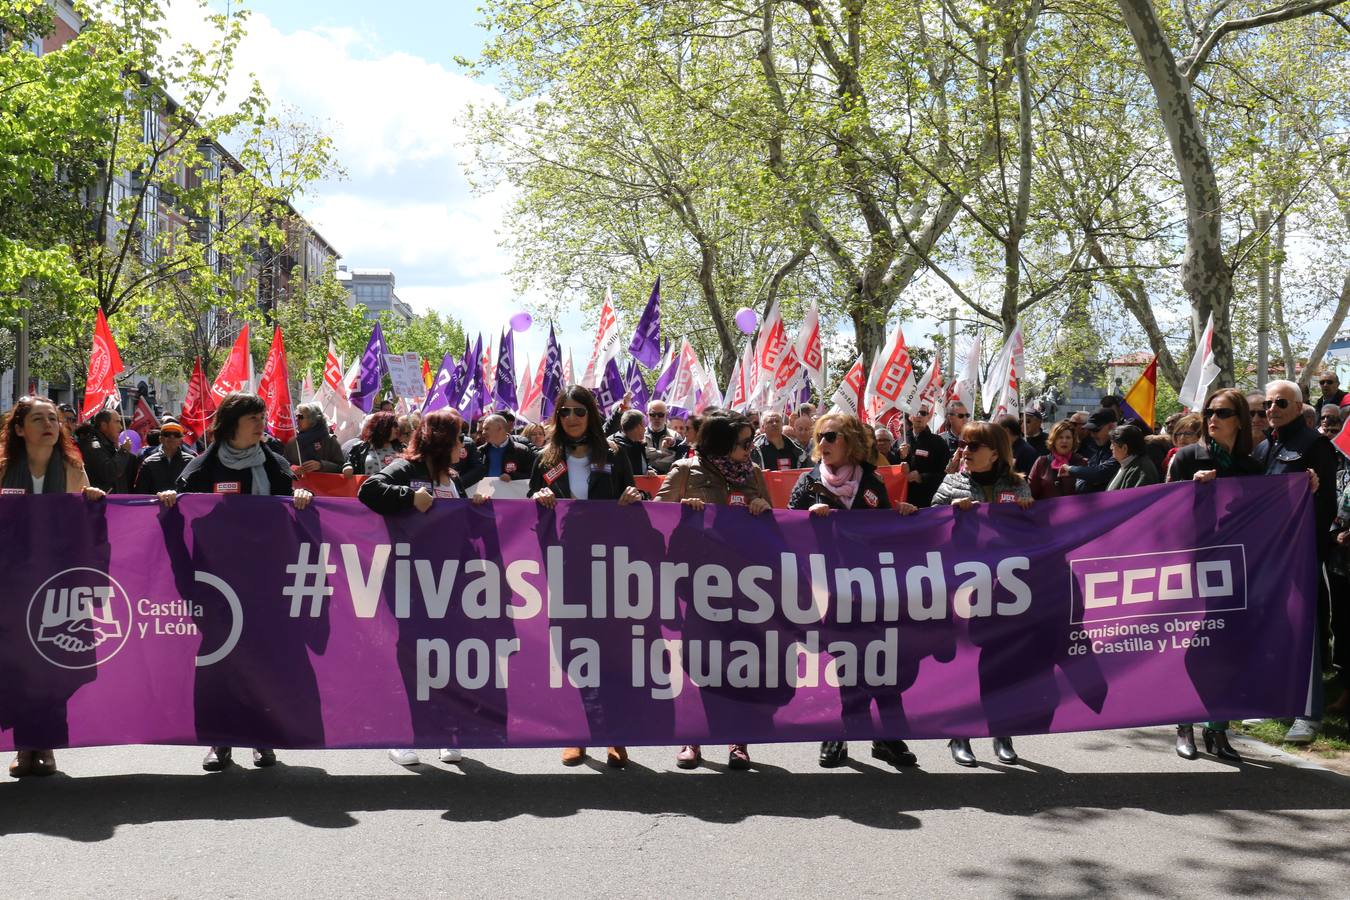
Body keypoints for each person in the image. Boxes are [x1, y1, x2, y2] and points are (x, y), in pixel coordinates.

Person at [174, 392, 315, 771]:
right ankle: (219, 741)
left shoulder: (275, 465)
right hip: (216, 581)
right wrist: (171, 499)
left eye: (262, 417)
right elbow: (179, 510)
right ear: (232, 422)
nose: (260, 424)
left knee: (262, 658)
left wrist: (301, 495)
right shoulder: (201, 468)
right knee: (218, 661)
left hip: (264, 581)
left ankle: (262, 736)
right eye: (254, 418)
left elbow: (294, 508)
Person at [786, 412, 918, 770]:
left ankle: (887, 737)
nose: (822, 444)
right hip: (829, 591)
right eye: (820, 437)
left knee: (880, 660)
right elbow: (783, 533)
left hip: (871, 590)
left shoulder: (872, 483)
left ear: (851, 442)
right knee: (844, 662)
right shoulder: (808, 483)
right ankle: (838, 734)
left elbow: (884, 534)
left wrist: (901, 514)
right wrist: (805, 520)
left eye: (831, 436)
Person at [358, 409, 487, 768]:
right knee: (412, 659)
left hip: (447, 582)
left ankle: (445, 731)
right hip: (409, 579)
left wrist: (474, 507)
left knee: (443, 657)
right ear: (442, 441)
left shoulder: (453, 478)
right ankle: (403, 735)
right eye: (459, 438)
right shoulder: (406, 468)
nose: (463, 445)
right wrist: (408, 496)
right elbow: (369, 490)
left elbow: (459, 527)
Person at [528, 385, 643, 768]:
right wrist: (537, 499)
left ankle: (615, 734)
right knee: (573, 649)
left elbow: (635, 496)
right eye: (564, 412)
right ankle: (577, 732)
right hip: (565, 565)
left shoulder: (614, 453)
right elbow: (531, 502)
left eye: (579, 410)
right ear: (557, 417)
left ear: (591, 414)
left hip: (609, 564)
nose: (572, 418)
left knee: (610, 649)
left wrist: (630, 498)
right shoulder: (545, 458)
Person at [655, 414, 772, 771]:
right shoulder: (686, 470)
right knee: (699, 663)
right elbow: (654, 513)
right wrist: (681, 509)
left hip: (742, 581)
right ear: (721, 444)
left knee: (739, 662)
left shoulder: (752, 474)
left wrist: (763, 510)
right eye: (743, 443)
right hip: (697, 581)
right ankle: (693, 738)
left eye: (751, 441)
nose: (750, 448)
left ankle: (739, 741)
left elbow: (773, 523)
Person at [0, 397, 107, 777]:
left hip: (58, 584)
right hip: (11, 586)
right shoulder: (2, 471)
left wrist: (92, 501)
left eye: (53, 419)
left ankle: (44, 745)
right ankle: (23, 746)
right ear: (18, 429)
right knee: (16, 668)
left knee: (52, 667)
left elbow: (86, 524)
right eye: (38, 419)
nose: (48, 424)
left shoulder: (73, 469)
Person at [1165, 387, 1262, 762]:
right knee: (1192, 649)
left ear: (1239, 418)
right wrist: (1191, 491)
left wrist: (1307, 488)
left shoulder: (1252, 465)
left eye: (1222, 412)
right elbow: (1162, 508)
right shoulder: (1189, 456)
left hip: (1236, 570)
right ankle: (1184, 724)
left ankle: (1218, 730)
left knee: (1226, 649)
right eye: (1209, 412)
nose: (1213, 419)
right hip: (1192, 566)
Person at [932, 421, 1033, 768]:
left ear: (995, 452)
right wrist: (949, 515)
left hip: (1006, 591)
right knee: (964, 663)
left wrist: (1027, 514)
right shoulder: (951, 484)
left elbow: (1034, 535)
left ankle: (1001, 731)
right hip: (963, 590)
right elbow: (930, 531)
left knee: (1001, 664)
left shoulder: (1019, 486)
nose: (966, 451)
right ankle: (960, 735)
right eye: (963, 444)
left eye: (974, 446)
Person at [1256, 379, 1340, 744]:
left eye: (1281, 404)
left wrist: (1305, 543)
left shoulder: (1315, 444)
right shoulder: (1264, 447)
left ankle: (1308, 714)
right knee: (1274, 630)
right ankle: (1278, 702)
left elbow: (1325, 505)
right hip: (1267, 555)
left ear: (1298, 406)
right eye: (1268, 405)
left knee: (1302, 633)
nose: (1272, 409)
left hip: (1299, 554)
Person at [893, 405, 951, 508]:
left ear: (928, 417)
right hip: (904, 502)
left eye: (923, 413)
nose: (919, 416)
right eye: (916, 412)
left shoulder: (938, 442)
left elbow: (946, 476)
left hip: (928, 502)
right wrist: (900, 457)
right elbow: (890, 470)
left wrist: (921, 477)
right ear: (910, 416)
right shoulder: (899, 442)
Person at [75, 408, 133, 492]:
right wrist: (123, 451)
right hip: (100, 502)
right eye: (117, 422)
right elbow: (109, 472)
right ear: (104, 425)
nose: (120, 427)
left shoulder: (107, 443)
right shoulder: (93, 446)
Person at [469, 414, 537, 485]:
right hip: (484, 495)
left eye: (486, 429)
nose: (483, 433)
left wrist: (512, 477)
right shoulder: (480, 451)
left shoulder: (522, 451)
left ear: (499, 428)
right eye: (483, 430)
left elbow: (532, 476)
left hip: (511, 495)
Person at [1027, 419, 1086, 500]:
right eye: (1060, 437)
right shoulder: (1042, 462)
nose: (1064, 441)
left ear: (1073, 441)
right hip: (1048, 511)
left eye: (1068, 437)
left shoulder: (1081, 462)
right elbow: (1030, 493)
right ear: (1053, 440)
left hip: (1074, 511)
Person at [1065, 408, 1120, 494]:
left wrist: (1070, 469)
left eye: (1095, 430)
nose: (1092, 435)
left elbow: (1100, 473)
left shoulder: (1120, 449)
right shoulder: (1095, 446)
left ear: (1111, 426)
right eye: (1090, 431)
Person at [284, 403, 345, 475]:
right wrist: (291, 468)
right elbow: (283, 464)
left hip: (324, 485)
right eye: (296, 416)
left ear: (312, 419)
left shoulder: (330, 440)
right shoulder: (293, 442)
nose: (297, 419)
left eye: (300, 417)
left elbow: (341, 467)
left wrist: (321, 465)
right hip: (299, 485)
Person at [134, 422, 194, 494]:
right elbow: (141, 493)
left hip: (182, 505)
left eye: (176, 435)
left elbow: (196, 490)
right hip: (156, 505)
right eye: (167, 434)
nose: (172, 437)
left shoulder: (191, 462)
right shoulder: (149, 463)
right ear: (160, 439)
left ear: (181, 440)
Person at [343, 411, 405, 477]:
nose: (398, 428)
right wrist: (347, 467)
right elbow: (349, 463)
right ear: (383, 426)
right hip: (369, 486)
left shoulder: (402, 448)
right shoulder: (360, 448)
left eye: (398, 426)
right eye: (395, 425)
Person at [1105, 423, 1160, 490]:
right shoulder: (1129, 464)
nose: (1111, 447)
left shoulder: (1141, 471)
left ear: (1124, 448)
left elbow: (1135, 498)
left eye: (1113, 444)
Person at [612, 410, 651, 476]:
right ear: (638, 427)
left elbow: (643, 466)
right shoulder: (616, 448)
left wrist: (650, 471)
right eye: (644, 425)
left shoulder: (638, 443)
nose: (645, 429)